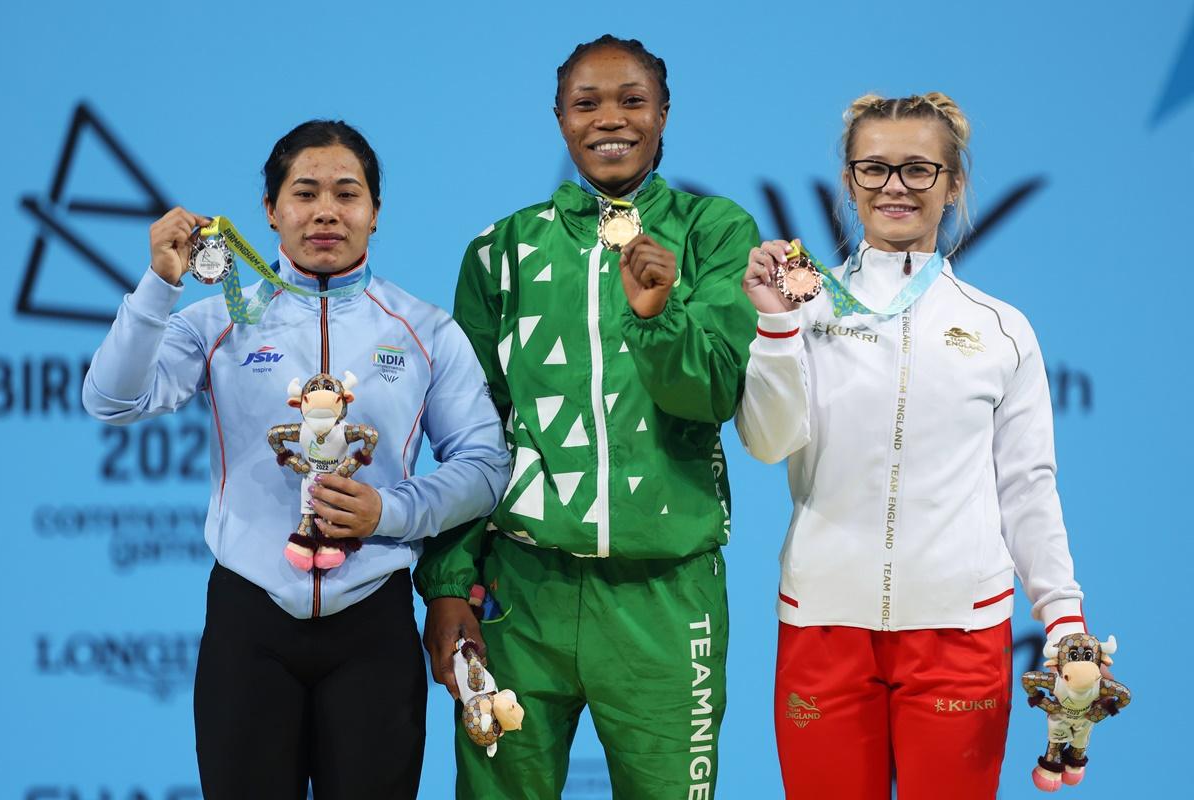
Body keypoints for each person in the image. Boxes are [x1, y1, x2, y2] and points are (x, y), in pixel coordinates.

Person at [81, 120, 510, 800]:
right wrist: (160, 286)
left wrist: (390, 512)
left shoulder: (424, 330)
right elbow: (111, 400)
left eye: (348, 193)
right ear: (270, 213)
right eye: (304, 193)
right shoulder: (216, 319)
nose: (326, 212)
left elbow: (485, 465)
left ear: (375, 213)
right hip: (250, 623)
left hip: (373, 621)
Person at [414, 35, 759, 799]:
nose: (611, 119)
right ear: (559, 117)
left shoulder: (714, 232)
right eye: (587, 102)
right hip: (518, 599)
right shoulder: (500, 249)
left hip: (665, 603)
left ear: (664, 113)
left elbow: (711, 396)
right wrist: (447, 584)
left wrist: (658, 316)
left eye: (633, 100)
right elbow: (472, 434)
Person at [736, 92, 1088, 799]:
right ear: (848, 181)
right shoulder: (805, 303)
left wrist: (1064, 614)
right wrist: (774, 330)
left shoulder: (1000, 328)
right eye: (874, 169)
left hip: (960, 634)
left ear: (953, 183)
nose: (894, 186)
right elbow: (766, 443)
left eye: (919, 170)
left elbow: (1026, 485)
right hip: (823, 629)